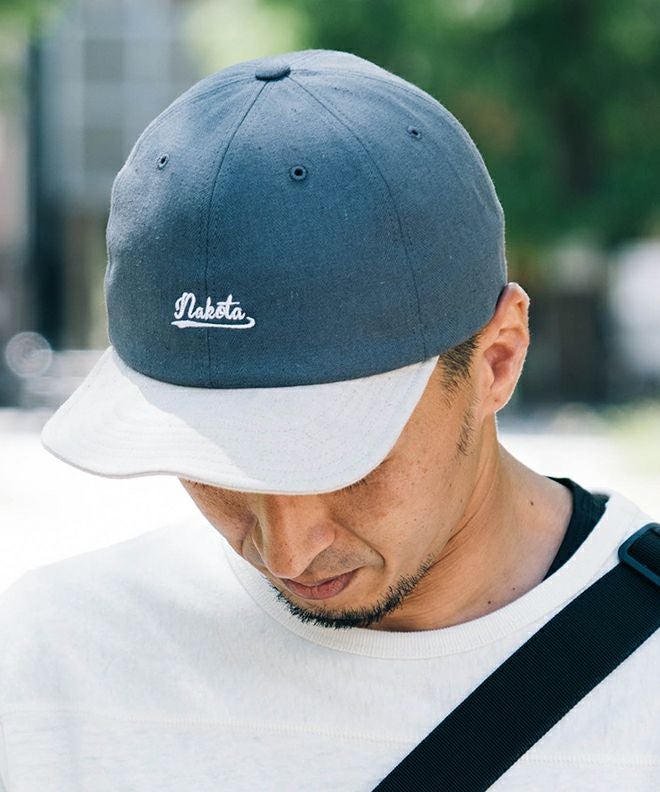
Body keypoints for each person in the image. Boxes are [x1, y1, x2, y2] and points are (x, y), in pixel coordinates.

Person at [0, 49, 657, 791]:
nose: (287, 552)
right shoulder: (51, 661)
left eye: (343, 456)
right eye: (217, 459)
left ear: (497, 360)